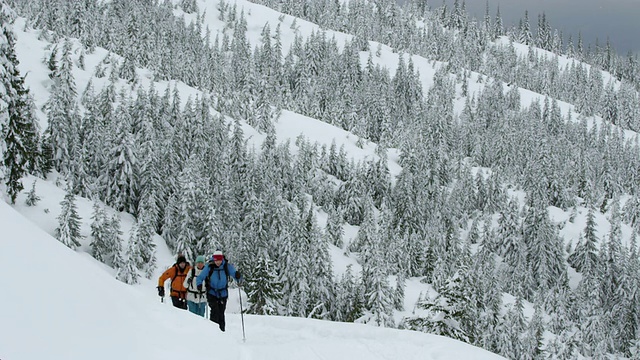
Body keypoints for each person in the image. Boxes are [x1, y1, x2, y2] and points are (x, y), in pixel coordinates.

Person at [196, 250, 242, 331]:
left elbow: (235, 274)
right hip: (211, 293)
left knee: (221, 313)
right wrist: (199, 284)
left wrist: (238, 276)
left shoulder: (226, 266)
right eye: (216, 260)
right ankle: (213, 331)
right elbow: (200, 277)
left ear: (222, 259)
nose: (218, 262)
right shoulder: (209, 266)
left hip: (223, 293)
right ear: (214, 259)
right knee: (215, 311)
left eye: (219, 260)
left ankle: (222, 331)